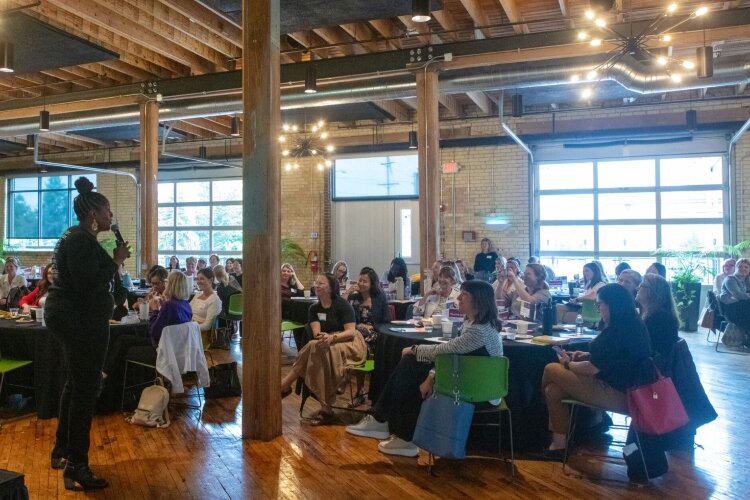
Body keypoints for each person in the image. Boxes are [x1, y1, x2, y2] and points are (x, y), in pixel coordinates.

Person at [345, 280, 503, 457]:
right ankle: (395, 431)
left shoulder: (479, 331)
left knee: (410, 365)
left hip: (476, 389)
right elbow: (453, 356)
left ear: (478, 300)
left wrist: (414, 350)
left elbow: (445, 350)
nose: (458, 297)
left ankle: (387, 423)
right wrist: (431, 375)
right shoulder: (473, 324)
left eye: (464, 294)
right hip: (466, 379)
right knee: (412, 368)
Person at [46, 176, 130, 490]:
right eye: (107, 210)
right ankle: (76, 466)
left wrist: (114, 266)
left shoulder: (78, 236)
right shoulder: (80, 240)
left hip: (75, 317)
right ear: (93, 213)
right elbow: (88, 285)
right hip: (79, 320)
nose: (111, 215)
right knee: (85, 389)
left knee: (76, 384)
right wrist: (116, 262)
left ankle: (63, 450)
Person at [542, 284, 652, 457]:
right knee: (553, 390)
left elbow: (590, 369)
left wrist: (567, 364)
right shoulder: (632, 324)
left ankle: (542, 412)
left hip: (620, 394)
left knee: (551, 369)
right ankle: (559, 445)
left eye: (599, 304)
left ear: (611, 305)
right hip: (628, 389)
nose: (598, 308)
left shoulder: (616, 331)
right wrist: (586, 355)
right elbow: (611, 357)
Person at [280, 273, 366, 424]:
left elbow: (351, 332)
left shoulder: (342, 305)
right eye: (316, 283)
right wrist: (325, 338)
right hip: (327, 343)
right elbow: (316, 334)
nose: (316, 285)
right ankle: (326, 408)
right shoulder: (314, 308)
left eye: (321, 283)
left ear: (330, 288)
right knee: (316, 347)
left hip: (349, 342)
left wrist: (333, 337)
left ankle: (285, 384)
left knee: (315, 348)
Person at [103, 271, 192, 391]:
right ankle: (107, 375)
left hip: (162, 350)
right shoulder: (186, 305)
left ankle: (109, 379)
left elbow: (153, 331)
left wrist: (155, 310)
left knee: (122, 342)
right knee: (124, 339)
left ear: (171, 285)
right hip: (178, 350)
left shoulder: (169, 306)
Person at [346, 267, 389, 400]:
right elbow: (341, 310)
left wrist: (371, 326)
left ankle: (359, 388)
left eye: (365, 281)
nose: (361, 283)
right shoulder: (353, 297)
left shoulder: (380, 297)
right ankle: (359, 388)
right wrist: (347, 292)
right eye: (360, 280)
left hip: (374, 333)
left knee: (358, 345)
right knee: (357, 341)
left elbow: (386, 321)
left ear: (372, 283)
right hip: (357, 332)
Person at [636, 273, 679, 358]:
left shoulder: (659, 318)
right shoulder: (655, 314)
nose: (637, 288)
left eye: (641, 285)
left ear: (652, 291)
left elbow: (644, 347)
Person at [190, 267, 222, 348]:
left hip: (201, 334)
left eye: (202, 279)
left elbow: (207, 326)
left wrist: (189, 327)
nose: (198, 282)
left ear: (210, 280)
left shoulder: (215, 300)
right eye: (197, 279)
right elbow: (187, 310)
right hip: (191, 328)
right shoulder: (198, 294)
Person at [719, 257, 750, 331]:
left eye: (746, 267)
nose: (743, 269)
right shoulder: (730, 279)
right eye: (740, 267)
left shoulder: (744, 281)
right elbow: (738, 295)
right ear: (736, 268)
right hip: (731, 311)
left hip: (741, 308)